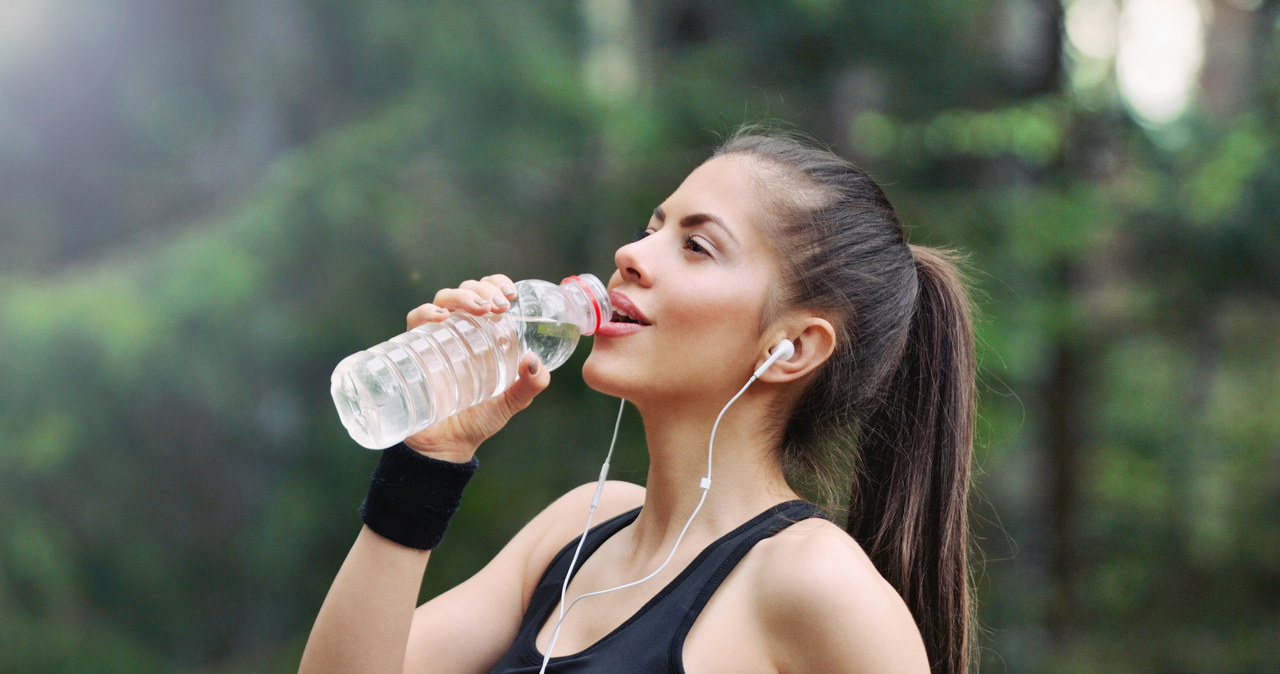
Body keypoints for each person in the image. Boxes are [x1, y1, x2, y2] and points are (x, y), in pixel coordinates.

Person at [299, 129, 977, 673]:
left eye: (696, 246)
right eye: (653, 227)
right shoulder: (574, 533)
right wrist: (429, 459)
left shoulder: (814, 583)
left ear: (792, 346)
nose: (630, 253)